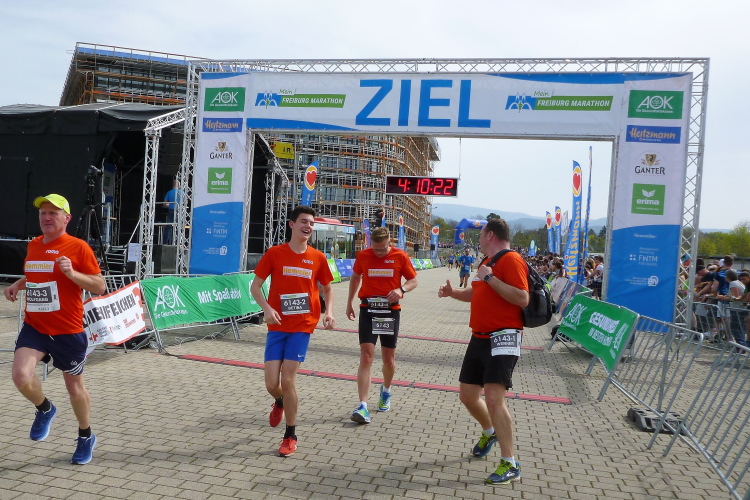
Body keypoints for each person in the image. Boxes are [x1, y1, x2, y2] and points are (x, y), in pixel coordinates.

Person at [4, 194, 105, 465]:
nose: (47, 218)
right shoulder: (34, 245)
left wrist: (72, 274)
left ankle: (86, 435)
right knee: (21, 376)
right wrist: (18, 284)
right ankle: (45, 408)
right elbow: (37, 273)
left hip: (67, 331)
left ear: (66, 218)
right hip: (35, 327)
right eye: (43, 213)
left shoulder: (78, 247)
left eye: (53, 213)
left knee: (75, 389)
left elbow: (99, 286)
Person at [438, 218, 528, 485]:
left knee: (494, 399)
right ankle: (490, 432)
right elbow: (476, 292)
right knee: (467, 395)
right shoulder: (487, 262)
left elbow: (522, 297)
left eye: (480, 235)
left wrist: (489, 276)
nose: (477, 240)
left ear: (490, 235)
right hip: (479, 337)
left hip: (504, 337)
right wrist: (453, 292)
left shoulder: (511, 259)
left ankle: (510, 463)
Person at [250, 205, 336, 457]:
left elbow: (328, 288)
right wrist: (266, 309)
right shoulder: (275, 253)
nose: (308, 226)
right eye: (304, 222)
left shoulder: (317, 257)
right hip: (277, 325)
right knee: (271, 384)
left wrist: (329, 312)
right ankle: (279, 401)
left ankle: (290, 435)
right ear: (292, 224)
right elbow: (255, 287)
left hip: (302, 325)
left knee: (288, 381)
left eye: (311, 223)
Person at [345, 227, 417, 424]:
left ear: (389, 243)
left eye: (382, 249)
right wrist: (349, 302)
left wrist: (401, 290)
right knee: (366, 356)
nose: (378, 253)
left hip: (389, 311)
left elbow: (413, 280)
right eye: (375, 249)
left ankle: (386, 390)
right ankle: (363, 405)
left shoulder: (400, 256)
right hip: (368, 308)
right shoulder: (364, 256)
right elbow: (355, 277)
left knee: (389, 360)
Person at [162, 180, 185, 244]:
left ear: (173, 185)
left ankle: (165, 242)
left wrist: (168, 204)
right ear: (178, 185)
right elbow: (186, 202)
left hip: (171, 210)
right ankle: (178, 243)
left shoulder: (169, 192)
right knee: (178, 226)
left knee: (168, 227)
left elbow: (164, 203)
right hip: (179, 210)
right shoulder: (182, 192)